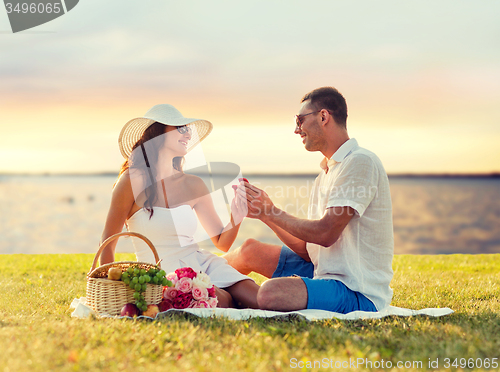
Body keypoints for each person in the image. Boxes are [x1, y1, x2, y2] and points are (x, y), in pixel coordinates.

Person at [225, 87, 394, 313]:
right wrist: (265, 213)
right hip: (321, 271)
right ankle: (191, 285)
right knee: (249, 250)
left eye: (300, 120)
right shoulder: (326, 172)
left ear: (323, 117)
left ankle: (222, 299)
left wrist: (273, 211)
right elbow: (309, 250)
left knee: (270, 293)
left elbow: (325, 234)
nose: (297, 129)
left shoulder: (360, 161)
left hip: (355, 291)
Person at [99, 104, 259, 308]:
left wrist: (237, 215)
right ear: (157, 133)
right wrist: (110, 286)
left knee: (261, 298)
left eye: (188, 129)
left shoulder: (193, 184)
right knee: (226, 300)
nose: (188, 134)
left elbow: (221, 242)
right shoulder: (132, 180)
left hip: (202, 263)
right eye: (181, 128)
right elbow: (108, 241)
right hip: (164, 275)